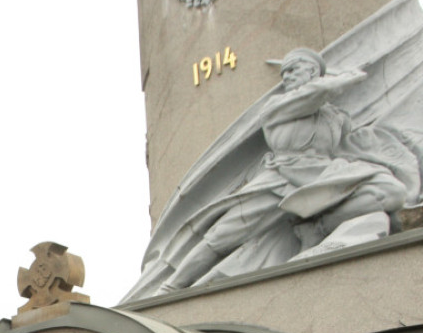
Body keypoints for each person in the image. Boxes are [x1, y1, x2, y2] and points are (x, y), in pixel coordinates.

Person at [157, 48, 411, 293]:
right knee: (221, 236)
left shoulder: (335, 117)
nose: (286, 76)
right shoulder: (278, 105)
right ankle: (171, 287)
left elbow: (350, 145)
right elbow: (310, 97)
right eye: (284, 72)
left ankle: (318, 228)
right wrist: (343, 80)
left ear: (312, 71)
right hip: (282, 175)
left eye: (293, 70)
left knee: (391, 192)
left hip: (326, 172)